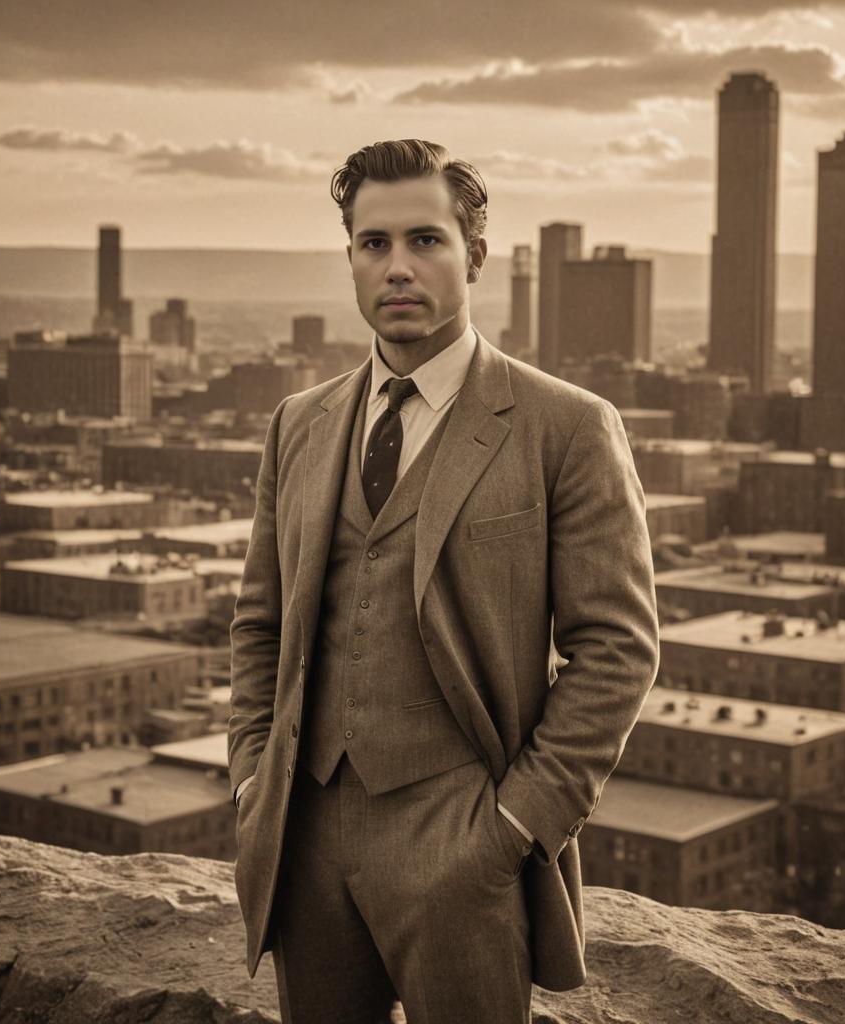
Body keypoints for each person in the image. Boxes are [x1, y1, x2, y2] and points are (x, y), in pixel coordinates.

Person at [227, 139, 660, 1023]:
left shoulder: (566, 426)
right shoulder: (298, 423)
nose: (397, 267)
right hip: (302, 840)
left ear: (475, 255)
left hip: (464, 844)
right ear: (349, 257)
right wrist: (250, 780)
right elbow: (258, 623)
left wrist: (513, 827)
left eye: (425, 240)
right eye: (373, 243)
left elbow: (617, 649)